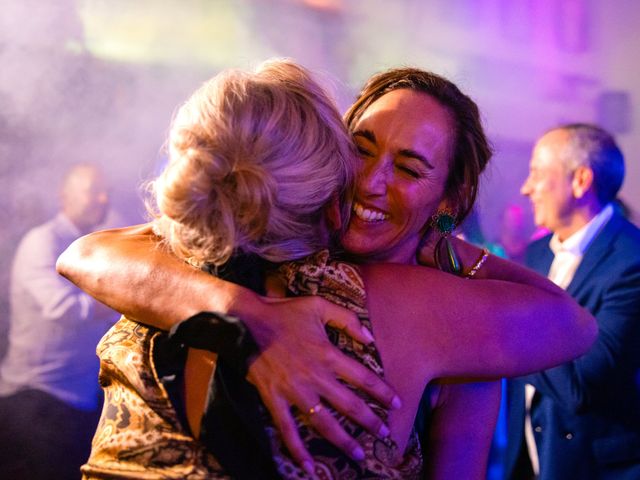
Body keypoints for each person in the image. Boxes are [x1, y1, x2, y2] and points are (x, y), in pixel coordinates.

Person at [57, 62, 596, 479]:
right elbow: (88, 254)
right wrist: (250, 317)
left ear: (448, 198)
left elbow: (572, 324)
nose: (372, 181)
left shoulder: (455, 316)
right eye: (361, 149)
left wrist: (450, 252)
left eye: (408, 168)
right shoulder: (262, 242)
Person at [503, 124, 640, 480]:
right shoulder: (535, 254)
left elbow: (581, 386)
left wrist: (500, 328)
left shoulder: (632, 262)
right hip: (531, 462)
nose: (526, 187)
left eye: (536, 173)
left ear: (580, 181)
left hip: (595, 469)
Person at [0, 163, 119, 479]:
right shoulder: (43, 241)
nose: (104, 199)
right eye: (93, 191)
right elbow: (65, 308)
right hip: (37, 394)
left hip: (78, 396)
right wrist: (125, 294)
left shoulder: (96, 244)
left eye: (106, 192)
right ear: (64, 196)